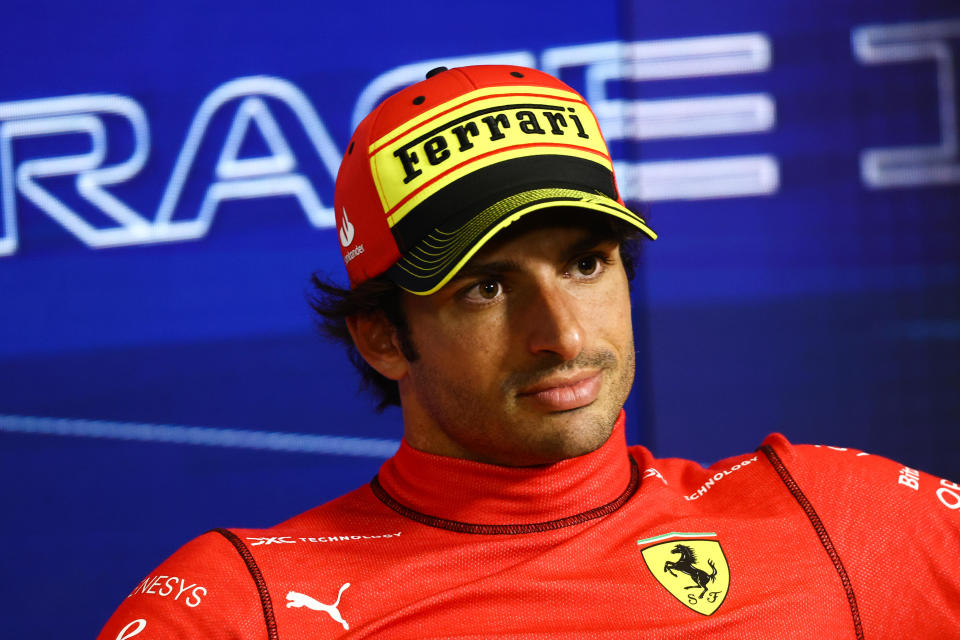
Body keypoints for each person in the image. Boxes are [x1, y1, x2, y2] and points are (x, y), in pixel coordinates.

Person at [98, 65, 959, 640]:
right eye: (487, 287)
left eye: (586, 264)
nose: (565, 335)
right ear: (382, 336)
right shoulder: (238, 608)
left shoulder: (833, 514)